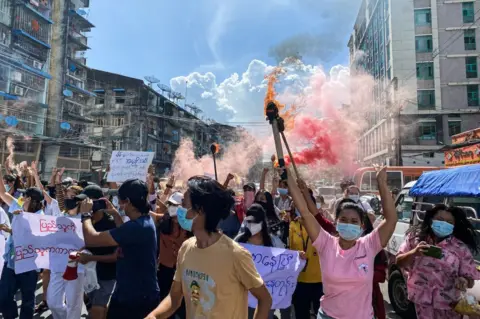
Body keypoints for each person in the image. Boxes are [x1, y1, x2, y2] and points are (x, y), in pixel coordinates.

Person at [146, 176, 272, 319]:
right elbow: (174, 298)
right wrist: (154, 316)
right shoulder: (186, 248)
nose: (179, 210)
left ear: (200, 210)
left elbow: (265, 299)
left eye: (183, 204)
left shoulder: (236, 255)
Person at [288, 165, 397, 319]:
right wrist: (288, 176)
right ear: (336, 223)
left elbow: (391, 219)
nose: (348, 224)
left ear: (362, 226)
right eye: (344, 220)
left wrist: (382, 184)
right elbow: (305, 212)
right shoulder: (325, 243)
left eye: (354, 221)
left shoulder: (369, 245)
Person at [80, 179, 160, 319]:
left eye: (120, 200)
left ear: (127, 201)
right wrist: (116, 214)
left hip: (136, 298)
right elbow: (123, 233)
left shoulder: (136, 227)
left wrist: (86, 215)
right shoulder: (143, 221)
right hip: (132, 292)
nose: (119, 204)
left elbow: (91, 239)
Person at [396, 204, 480, 319]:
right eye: (440, 219)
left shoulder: (460, 248)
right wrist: (414, 252)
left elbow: (470, 281)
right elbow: (399, 261)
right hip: (421, 303)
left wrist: (464, 280)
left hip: (450, 307)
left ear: (454, 226)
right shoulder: (414, 238)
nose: (444, 224)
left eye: (449, 222)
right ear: (431, 220)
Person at [47, 185, 112, 319]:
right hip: (58, 265)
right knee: (53, 303)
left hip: (78, 267)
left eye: (73, 197)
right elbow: (60, 204)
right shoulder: (66, 214)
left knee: (74, 304)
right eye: (68, 197)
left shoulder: (88, 219)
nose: (70, 200)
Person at [0, 183, 44, 319]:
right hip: (12, 262)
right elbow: (2, 193)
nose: (20, 197)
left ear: (29, 199)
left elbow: (33, 240)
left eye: (23, 195)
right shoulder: (19, 208)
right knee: (3, 297)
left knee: (27, 301)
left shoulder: (40, 218)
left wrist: (13, 228)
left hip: (29, 266)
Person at [77, 186, 120, 319]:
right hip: (90, 274)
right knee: (96, 307)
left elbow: (116, 256)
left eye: (87, 201)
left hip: (107, 275)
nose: (83, 205)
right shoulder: (86, 220)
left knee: (97, 309)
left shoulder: (110, 223)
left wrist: (91, 258)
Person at [235, 203, 279, 319]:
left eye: (254, 222)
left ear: (262, 223)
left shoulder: (273, 242)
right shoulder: (239, 241)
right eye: (248, 222)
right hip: (243, 298)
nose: (251, 225)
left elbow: (284, 262)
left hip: (266, 297)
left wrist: (298, 256)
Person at [156, 192, 188, 319]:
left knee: (184, 304)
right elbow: (148, 209)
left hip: (184, 271)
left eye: (177, 205)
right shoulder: (163, 221)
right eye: (171, 205)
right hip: (165, 269)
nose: (173, 208)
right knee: (165, 300)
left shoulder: (191, 225)